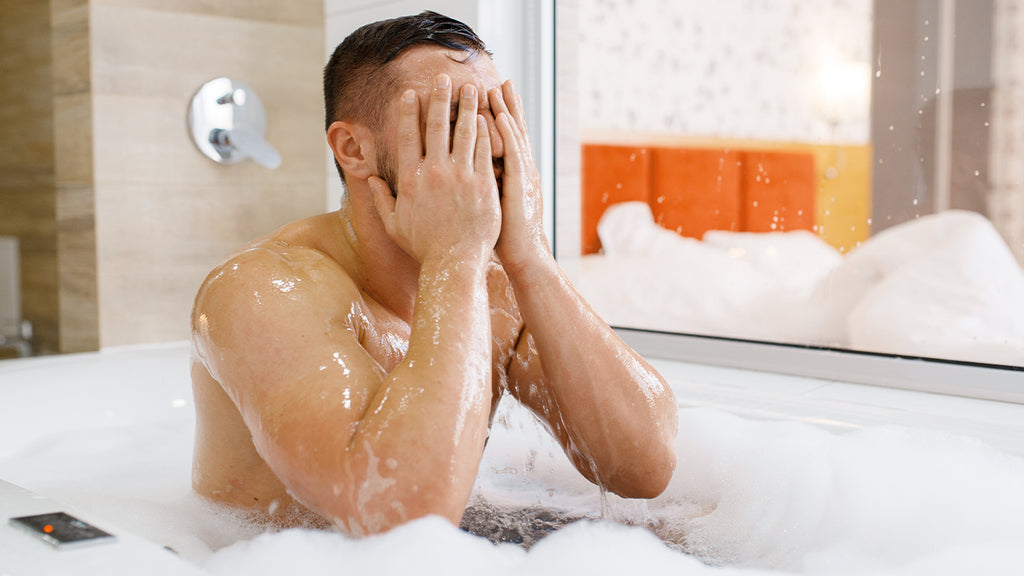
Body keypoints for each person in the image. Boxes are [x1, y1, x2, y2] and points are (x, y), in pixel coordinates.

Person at [190, 11, 678, 536]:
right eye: (452, 119)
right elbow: (396, 519)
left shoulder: (491, 285)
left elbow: (644, 470)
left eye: (494, 111)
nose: (489, 142)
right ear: (353, 149)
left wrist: (531, 257)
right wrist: (455, 254)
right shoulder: (261, 290)